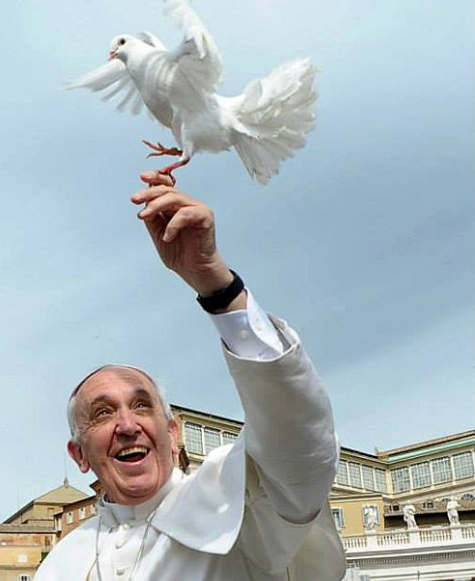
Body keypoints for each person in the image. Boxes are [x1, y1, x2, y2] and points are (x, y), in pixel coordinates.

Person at [34, 171, 345, 581]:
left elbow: (298, 440)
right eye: (103, 414)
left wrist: (214, 283)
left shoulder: (236, 499)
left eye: (141, 405)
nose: (127, 425)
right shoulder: (61, 562)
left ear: (173, 433)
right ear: (79, 456)